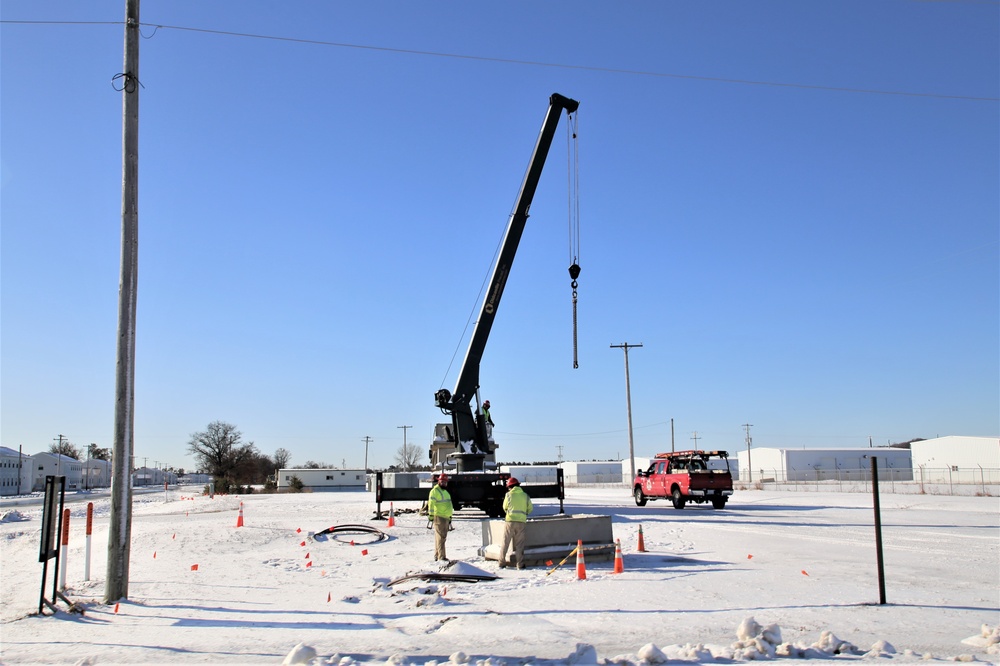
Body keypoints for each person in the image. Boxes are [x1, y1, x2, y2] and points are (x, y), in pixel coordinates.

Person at [499, 477, 533, 569]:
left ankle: (501, 563)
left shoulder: (508, 495)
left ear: (510, 486)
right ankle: (520, 564)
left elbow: (504, 507)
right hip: (521, 522)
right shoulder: (525, 495)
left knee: (505, 542)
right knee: (519, 545)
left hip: (509, 521)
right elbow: (530, 509)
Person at [427, 472, 454, 561]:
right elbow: (431, 504)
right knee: (441, 538)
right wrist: (431, 515)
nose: (444, 483)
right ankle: (441, 557)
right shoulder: (435, 491)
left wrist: (450, 517)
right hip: (439, 517)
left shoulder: (445, 492)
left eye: (445, 482)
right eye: (442, 482)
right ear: (438, 481)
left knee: (439, 537)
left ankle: (437, 554)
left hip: (445, 517)